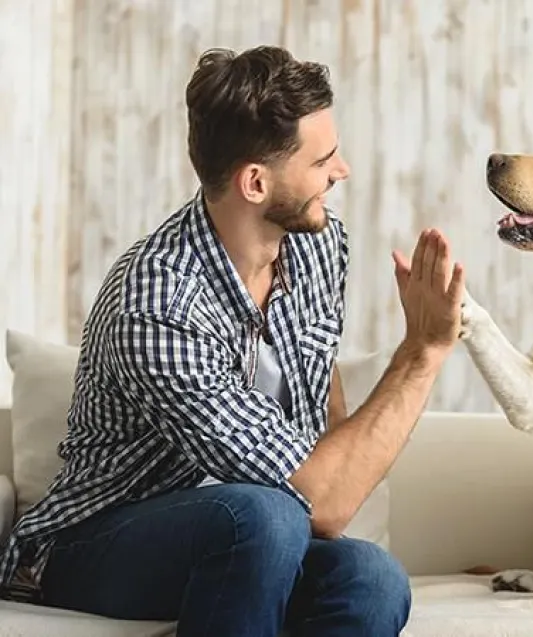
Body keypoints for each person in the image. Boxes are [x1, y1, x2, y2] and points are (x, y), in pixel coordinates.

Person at [0, 45, 465, 637]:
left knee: (372, 579)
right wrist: (421, 353)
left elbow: (321, 393)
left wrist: (329, 492)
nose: (341, 170)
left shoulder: (319, 244)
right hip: (96, 542)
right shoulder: (158, 302)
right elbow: (319, 500)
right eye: (323, 158)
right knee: (262, 515)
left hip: (259, 533)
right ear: (254, 182)